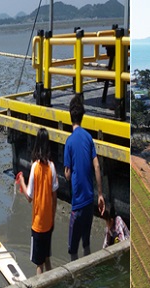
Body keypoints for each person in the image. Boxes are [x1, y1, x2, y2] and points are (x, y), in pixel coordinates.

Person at [63, 94, 105, 261]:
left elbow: (67, 174)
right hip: (89, 201)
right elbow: (96, 166)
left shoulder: (69, 141)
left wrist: (70, 173)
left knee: (72, 250)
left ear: (70, 116)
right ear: (83, 116)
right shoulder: (88, 137)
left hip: (77, 203)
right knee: (86, 245)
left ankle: (76, 284)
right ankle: (88, 278)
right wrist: (100, 194)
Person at [16, 128, 58, 275]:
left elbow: (29, 197)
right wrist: (52, 218)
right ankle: (52, 287)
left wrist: (21, 180)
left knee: (38, 264)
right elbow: (54, 196)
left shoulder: (35, 167)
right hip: (48, 223)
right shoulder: (52, 167)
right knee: (47, 259)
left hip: (38, 225)